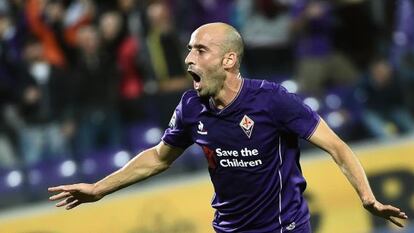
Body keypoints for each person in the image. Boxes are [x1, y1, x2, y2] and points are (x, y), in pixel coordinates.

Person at [48, 23, 408, 233]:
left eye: (200, 50)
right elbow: (158, 158)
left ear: (229, 60)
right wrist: (98, 189)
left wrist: (367, 197)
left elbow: (337, 146)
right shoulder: (191, 107)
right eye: (189, 50)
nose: (189, 58)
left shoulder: (272, 101)